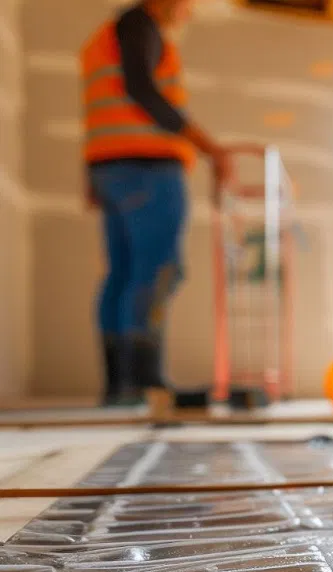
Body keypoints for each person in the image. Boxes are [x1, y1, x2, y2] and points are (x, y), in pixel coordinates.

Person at [81, 0, 233, 405]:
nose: (190, 12)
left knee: (123, 275)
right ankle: (144, 384)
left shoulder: (107, 36)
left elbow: (102, 106)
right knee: (156, 270)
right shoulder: (140, 25)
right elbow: (142, 89)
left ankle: (120, 387)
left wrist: (92, 174)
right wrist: (208, 147)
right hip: (147, 167)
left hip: (110, 167)